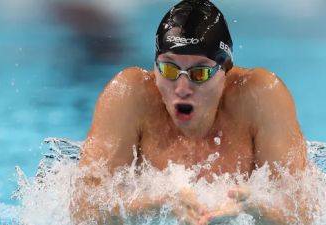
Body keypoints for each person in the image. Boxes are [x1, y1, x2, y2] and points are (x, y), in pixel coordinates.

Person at [72, 0, 309, 224]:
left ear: (225, 71)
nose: (182, 88)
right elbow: (82, 209)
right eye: (169, 69)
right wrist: (155, 203)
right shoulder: (129, 96)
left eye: (200, 73)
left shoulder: (261, 96)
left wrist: (256, 210)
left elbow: (307, 212)